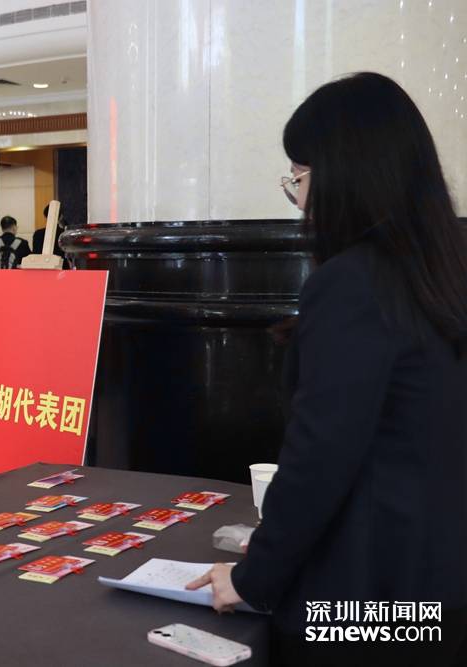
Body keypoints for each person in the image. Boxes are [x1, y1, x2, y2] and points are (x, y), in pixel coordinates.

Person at [186, 73, 467, 666]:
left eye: (300, 177)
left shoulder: (352, 284)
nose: (300, 199)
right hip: (440, 586)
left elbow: (320, 457)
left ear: (345, 175)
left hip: (366, 601)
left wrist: (254, 577)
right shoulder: (446, 269)